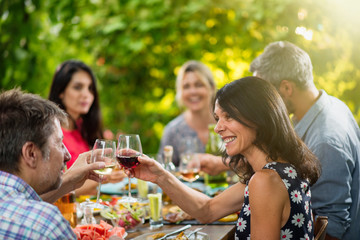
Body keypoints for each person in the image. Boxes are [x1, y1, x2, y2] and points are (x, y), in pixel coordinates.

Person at [129, 76, 321, 239]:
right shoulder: (278, 170)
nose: (218, 128)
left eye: (228, 117)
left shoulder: (265, 181)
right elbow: (207, 210)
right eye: (217, 118)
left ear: (258, 118)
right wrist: (159, 175)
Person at [249, 41, 360, 240]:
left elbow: (331, 226)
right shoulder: (329, 106)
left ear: (286, 88)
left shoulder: (325, 141)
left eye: (266, 96)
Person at [0, 89, 106, 239]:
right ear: (31, 153)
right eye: (59, 143)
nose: (68, 156)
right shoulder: (46, 224)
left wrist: (68, 181)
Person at [48, 60, 124, 195]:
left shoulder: (84, 128)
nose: (86, 94)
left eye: (90, 88)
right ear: (61, 92)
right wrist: (104, 177)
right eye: (78, 87)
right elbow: (54, 191)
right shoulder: (49, 133)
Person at [158, 60, 220, 167]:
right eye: (186, 87)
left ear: (212, 87)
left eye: (199, 85)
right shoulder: (172, 131)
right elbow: (162, 173)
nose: (193, 91)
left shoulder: (230, 123)